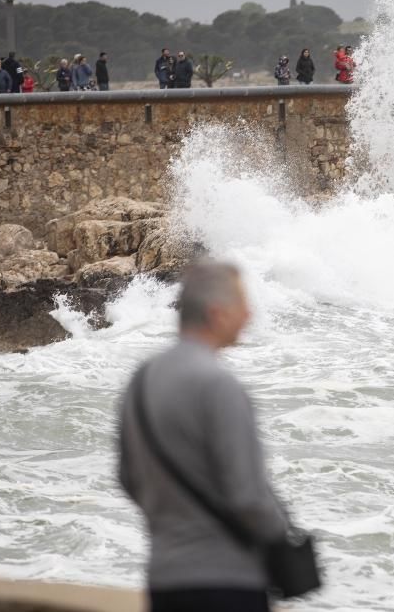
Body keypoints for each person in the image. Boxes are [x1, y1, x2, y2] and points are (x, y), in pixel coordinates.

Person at [117, 262, 289, 612]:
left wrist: (174, 523)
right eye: (243, 303)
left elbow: (127, 477)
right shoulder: (219, 385)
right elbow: (248, 498)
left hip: (165, 578)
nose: (249, 314)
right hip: (227, 581)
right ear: (217, 313)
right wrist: (283, 536)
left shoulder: (141, 380)